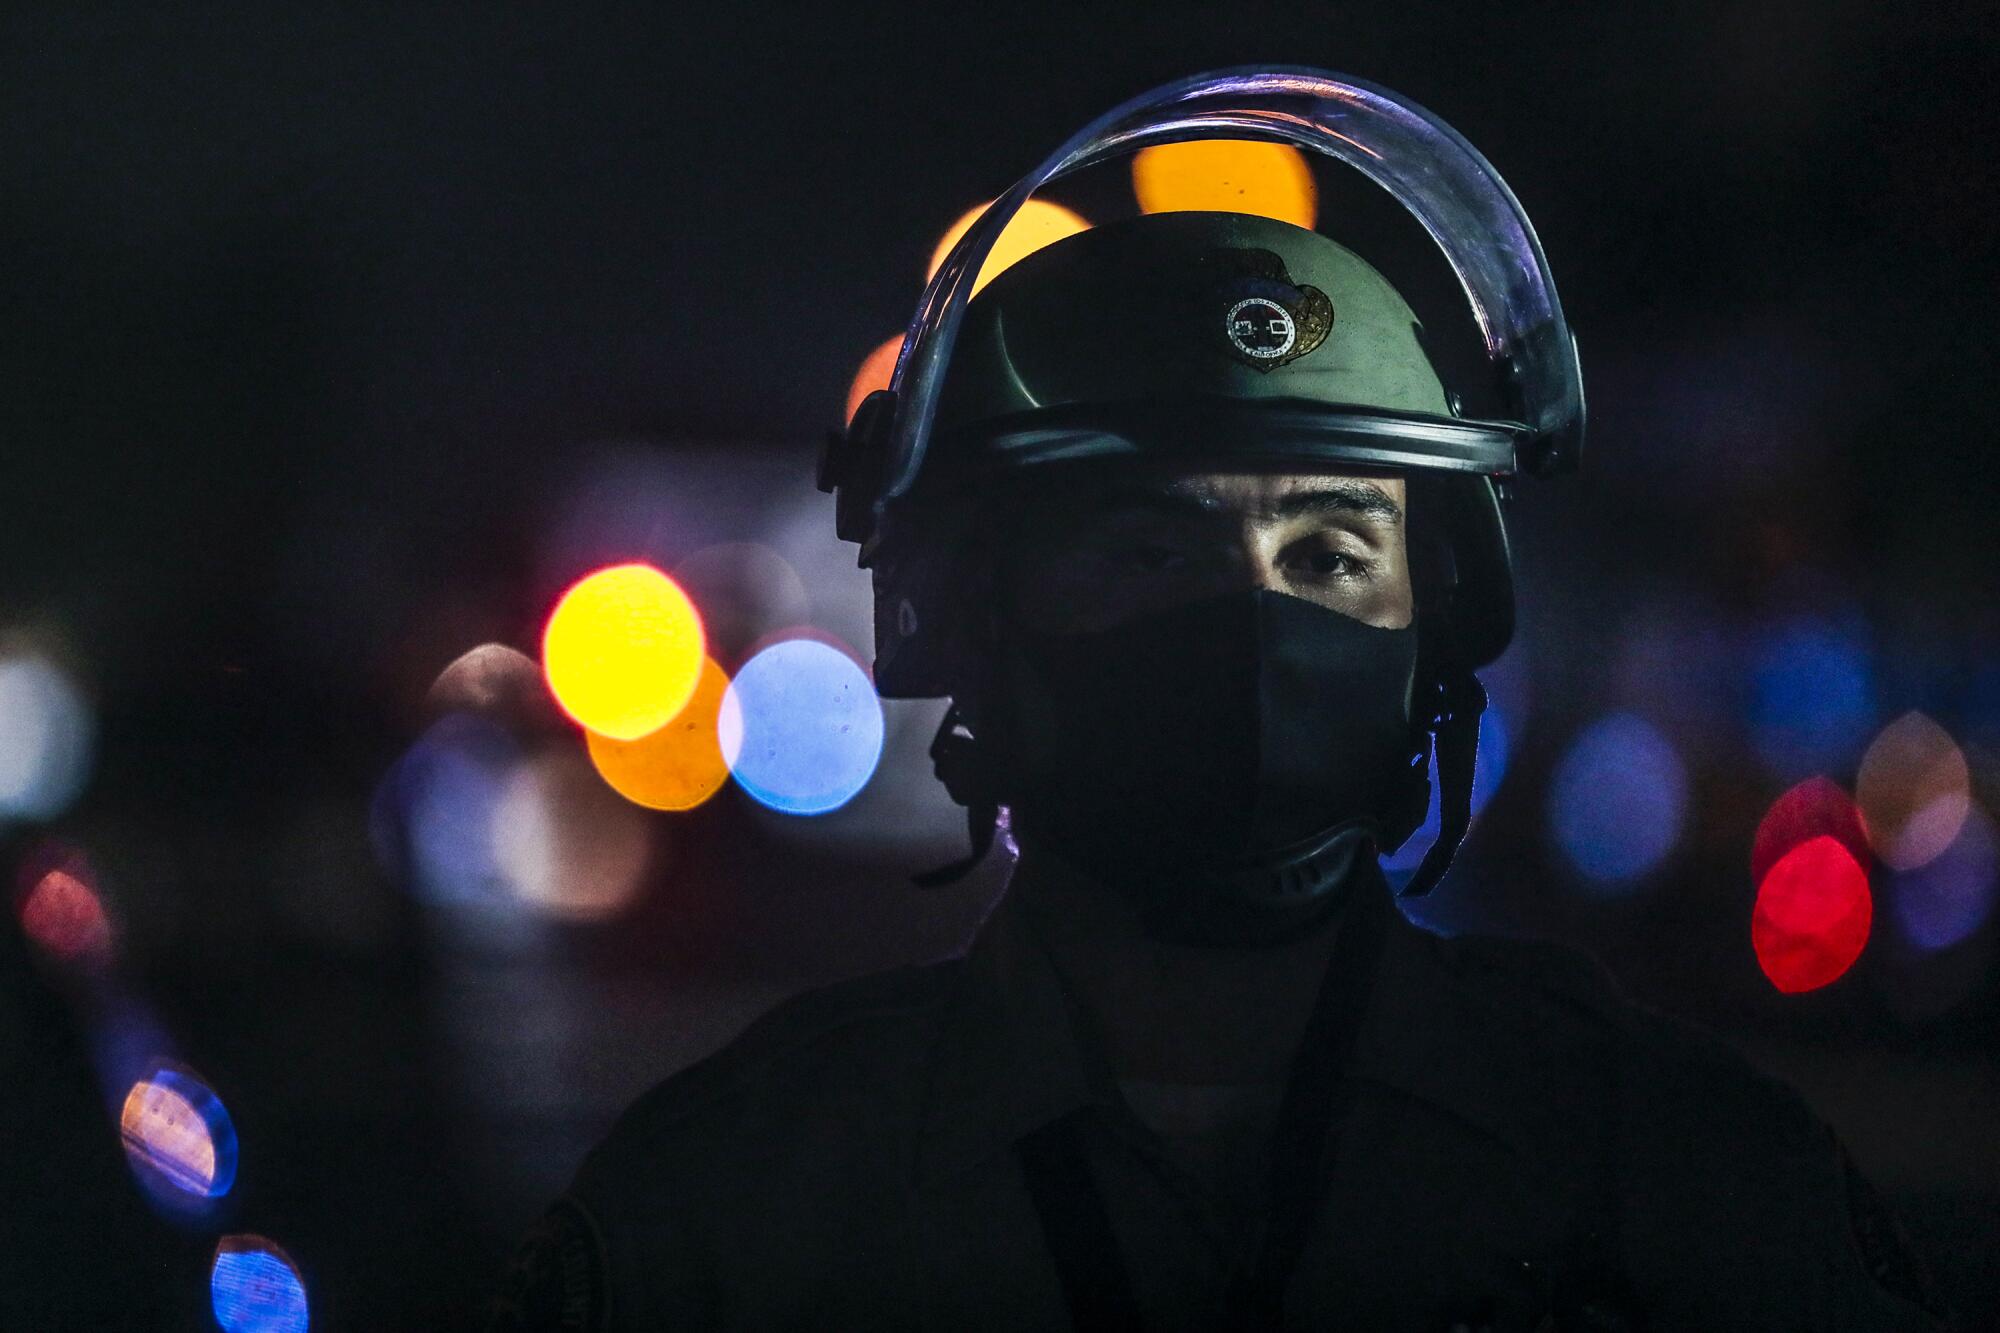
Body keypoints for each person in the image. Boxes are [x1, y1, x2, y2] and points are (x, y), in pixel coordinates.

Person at [486, 71, 1949, 1330]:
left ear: (1440, 620)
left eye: (1328, 550)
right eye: (1150, 547)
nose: (1254, 620)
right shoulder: (737, 1211)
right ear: (977, 616)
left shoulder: (1688, 1182)